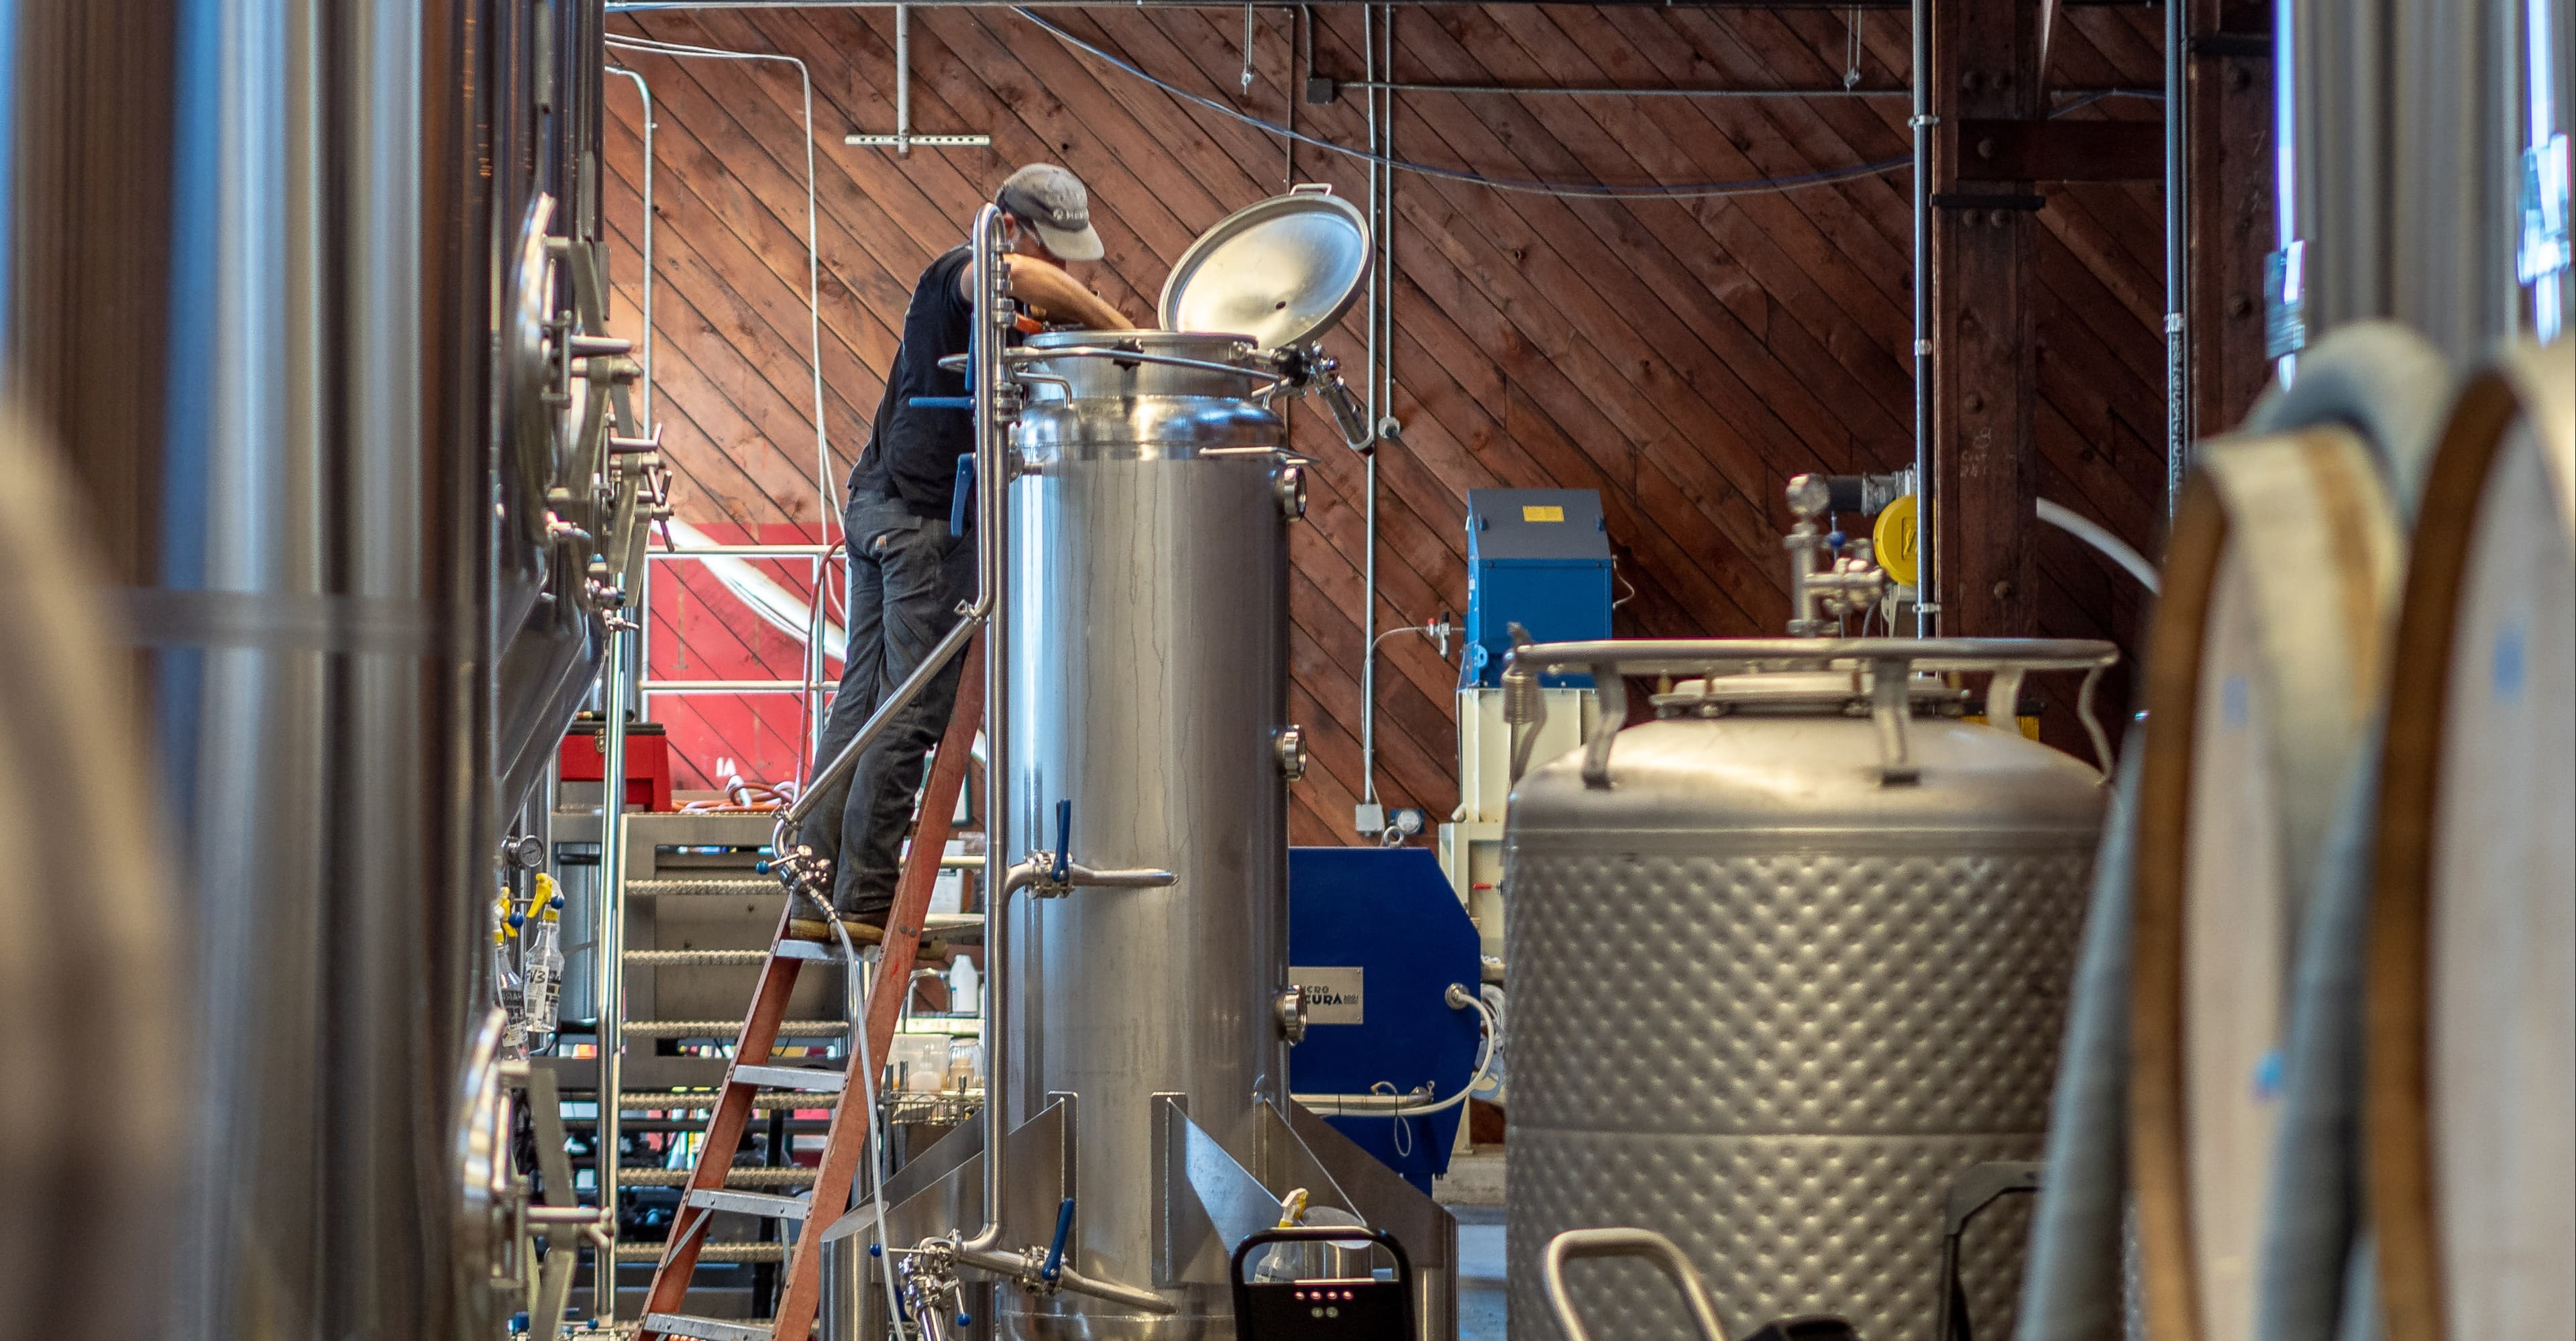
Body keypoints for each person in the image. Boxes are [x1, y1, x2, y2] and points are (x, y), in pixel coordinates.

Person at [798, 164, 1131, 924]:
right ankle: (865, 901)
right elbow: (1005, 277)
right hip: (921, 526)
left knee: (865, 705)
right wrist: (1122, 333)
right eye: (1049, 250)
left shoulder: (993, 303)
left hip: (878, 506)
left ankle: (816, 886)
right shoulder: (965, 269)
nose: (1058, 269)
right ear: (1008, 228)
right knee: (911, 714)